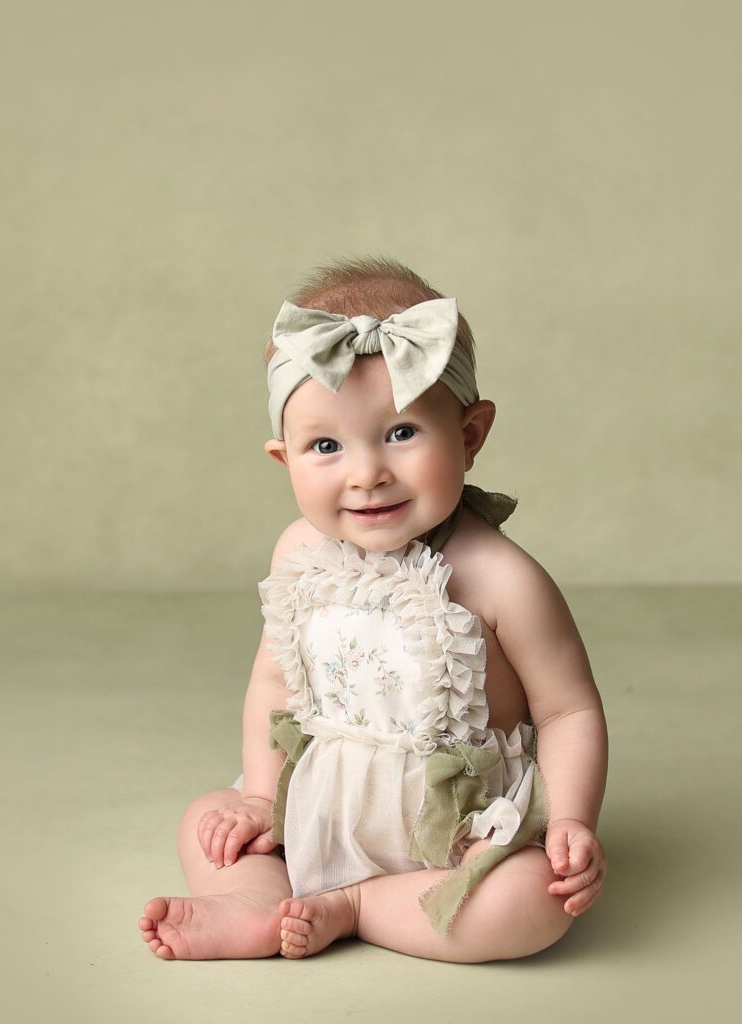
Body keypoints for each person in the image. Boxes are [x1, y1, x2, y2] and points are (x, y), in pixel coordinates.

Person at [139, 256, 609, 963]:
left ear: (471, 435)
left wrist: (572, 819)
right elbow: (274, 686)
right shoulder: (298, 552)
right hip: (319, 807)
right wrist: (262, 800)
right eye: (326, 446)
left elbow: (569, 710)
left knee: (533, 903)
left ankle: (357, 907)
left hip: (454, 837)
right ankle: (256, 900)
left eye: (400, 433)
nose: (367, 474)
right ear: (284, 458)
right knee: (207, 817)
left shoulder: (502, 577)